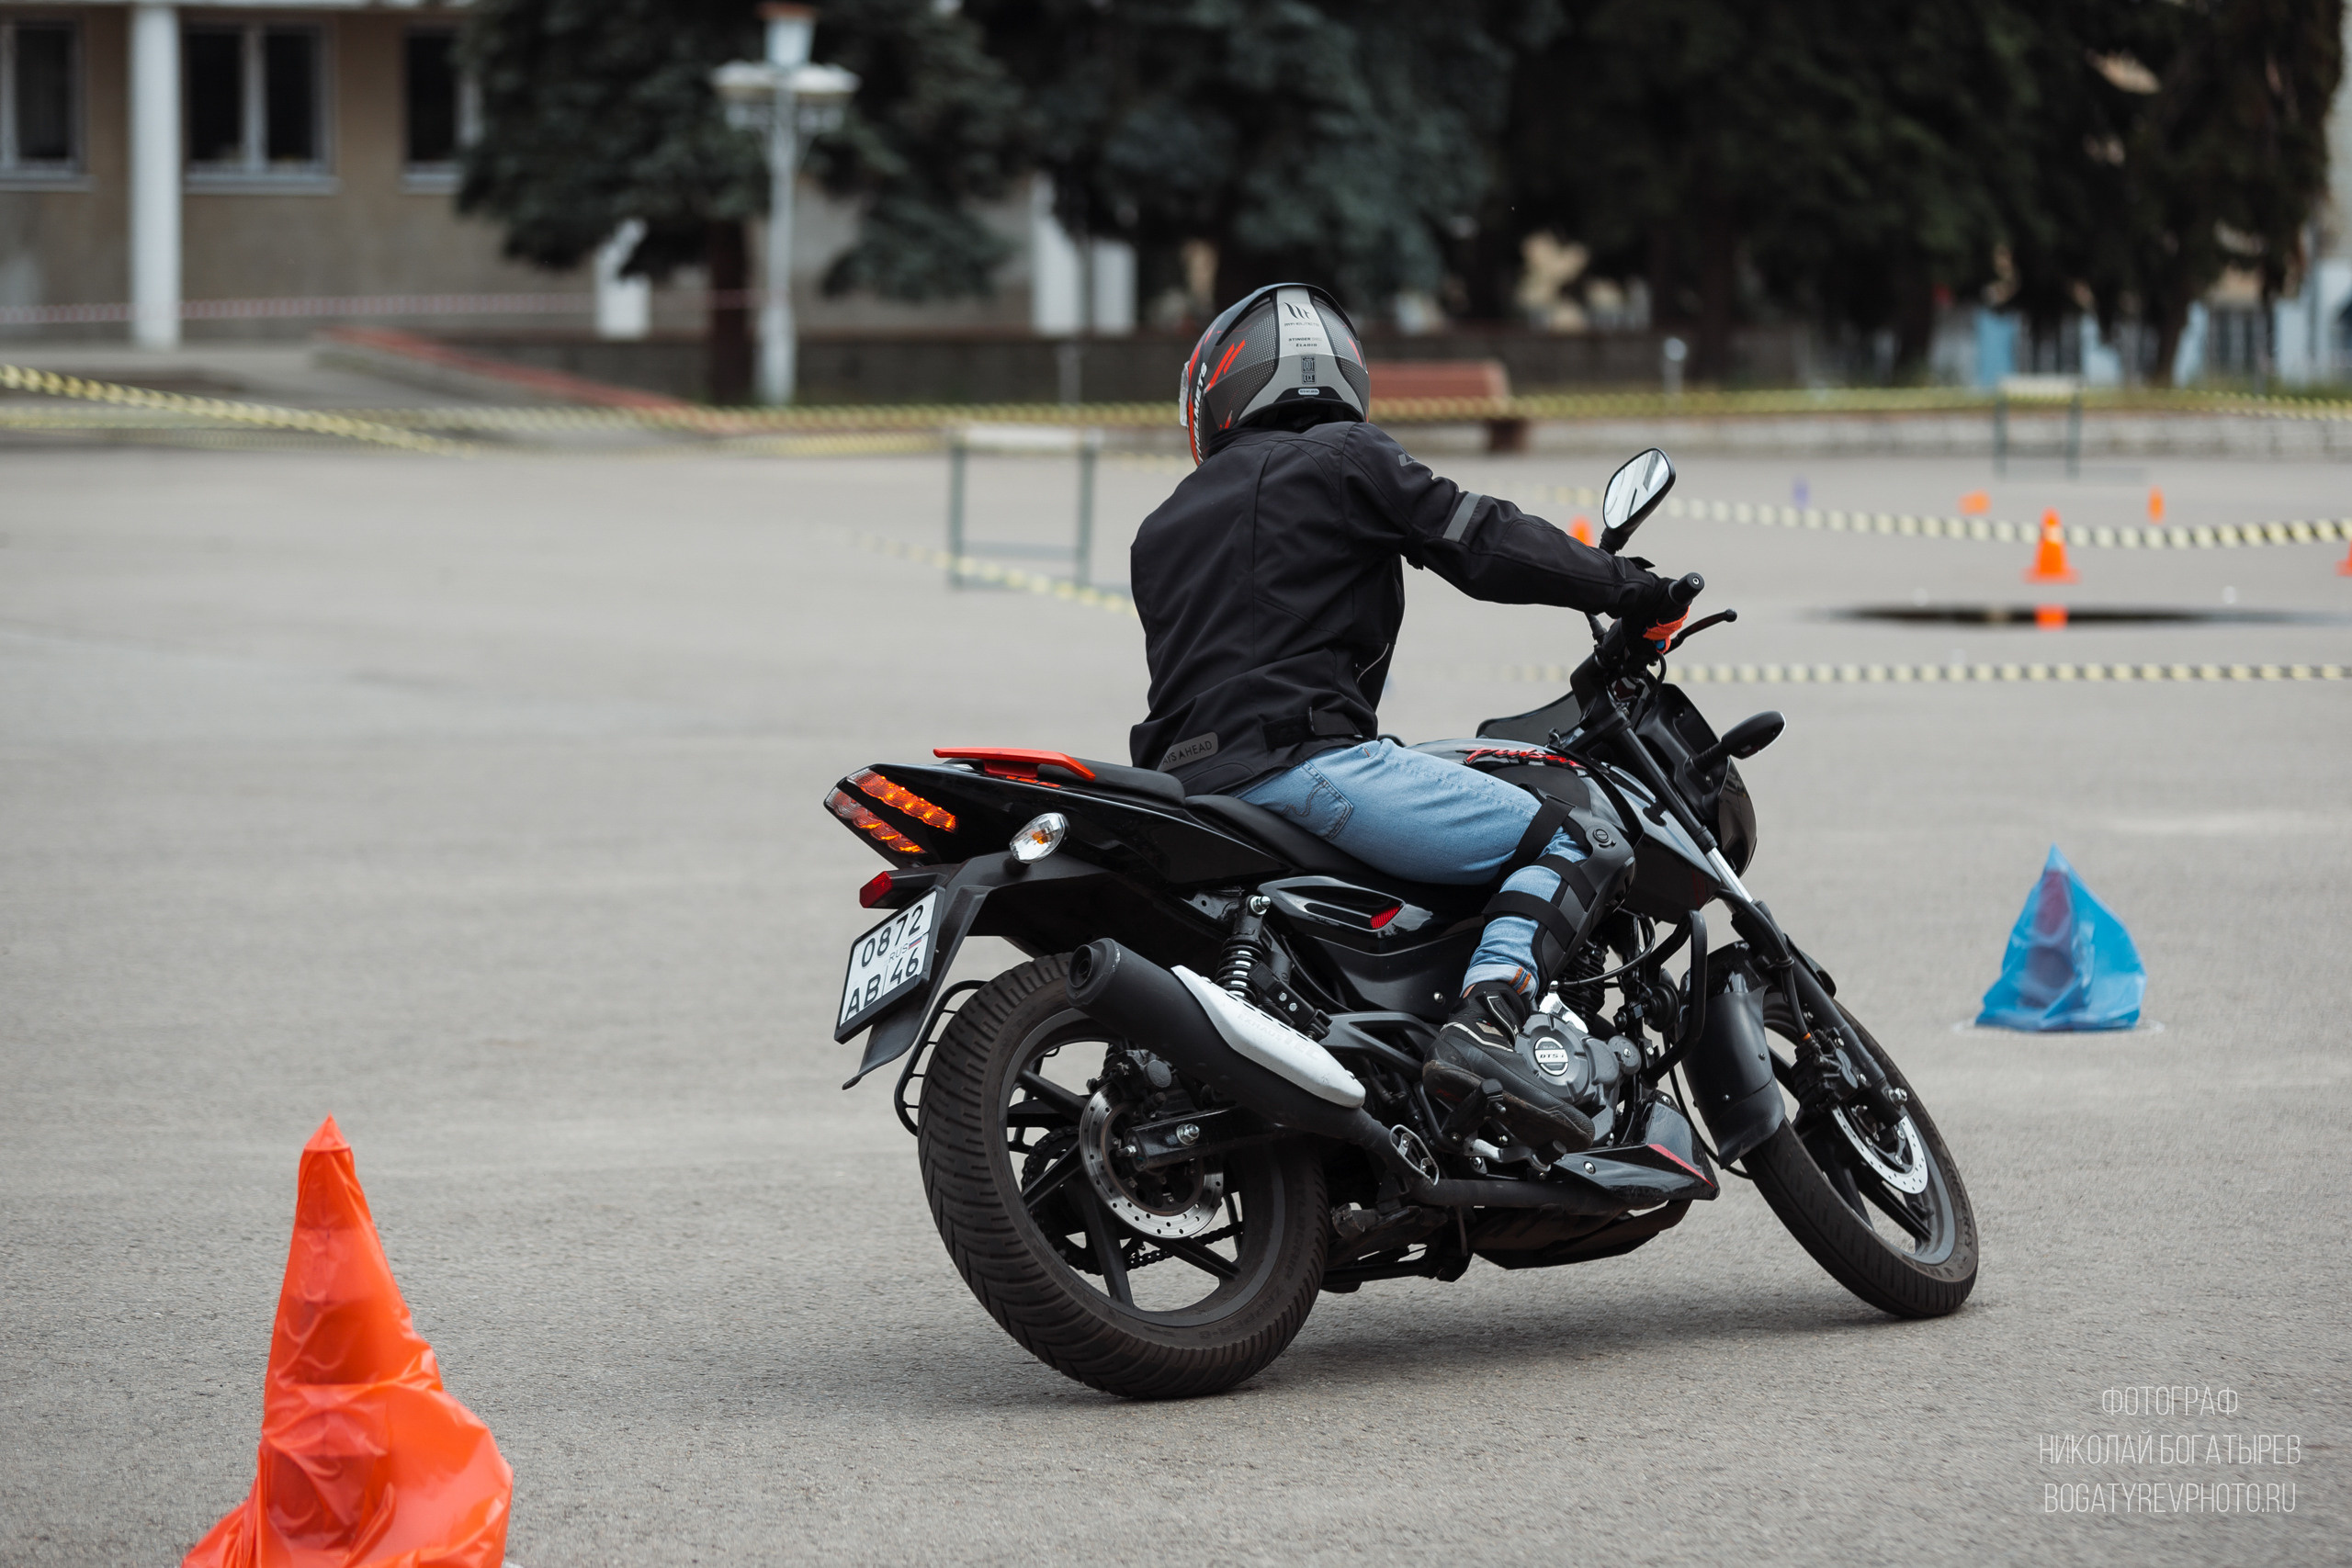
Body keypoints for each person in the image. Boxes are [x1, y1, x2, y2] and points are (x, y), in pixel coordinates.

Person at [1128, 282, 1687, 1154]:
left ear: (1217, 392)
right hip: (1307, 762)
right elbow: (1482, 538)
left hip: (1188, 789)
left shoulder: (1163, 523)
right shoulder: (1344, 456)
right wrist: (1630, 588)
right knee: (1578, 836)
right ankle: (1488, 1023)